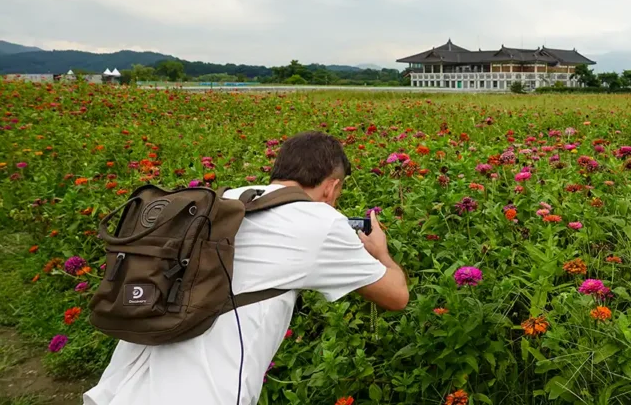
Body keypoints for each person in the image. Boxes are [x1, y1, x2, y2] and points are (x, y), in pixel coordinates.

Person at [84, 131, 409, 404]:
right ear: (332, 187)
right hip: (201, 394)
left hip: (117, 388)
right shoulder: (322, 222)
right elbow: (396, 296)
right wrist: (380, 252)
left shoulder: (225, 200)